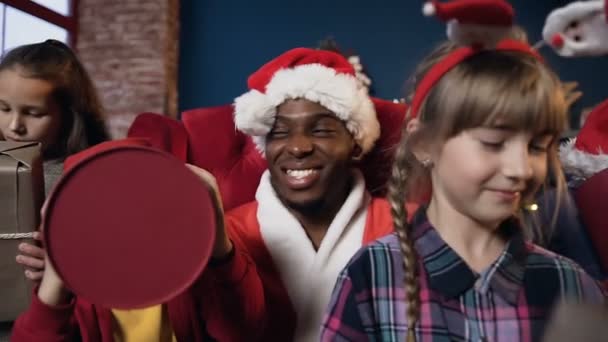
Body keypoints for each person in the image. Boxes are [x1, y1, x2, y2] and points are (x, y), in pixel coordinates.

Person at [320, 39, 605, 342]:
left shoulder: (571, 284)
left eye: (537, 147)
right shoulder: (370, 277)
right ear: (424, 144)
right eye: (493, 143)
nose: (521, 169)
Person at [218, 47, 416, 341]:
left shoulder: (408, 225)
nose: (298, 148)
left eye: (321, 131)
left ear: (356, 144)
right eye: (280, 132)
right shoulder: (227, 236)